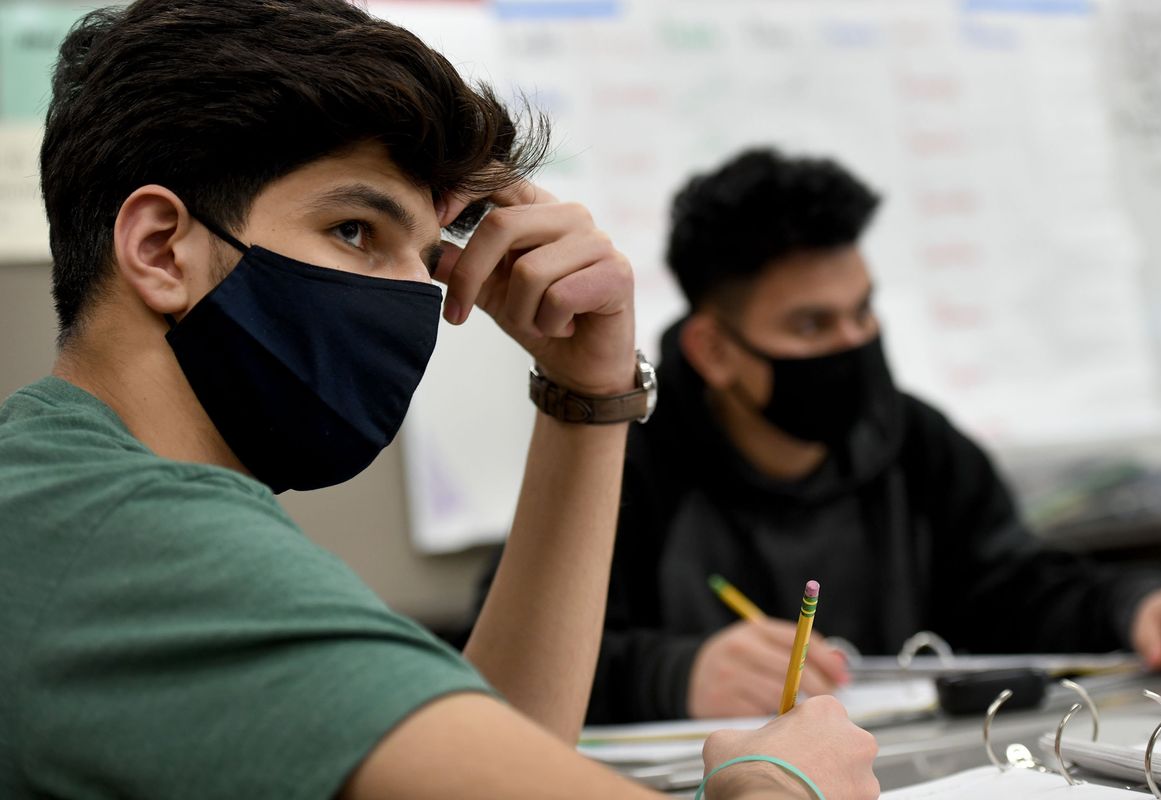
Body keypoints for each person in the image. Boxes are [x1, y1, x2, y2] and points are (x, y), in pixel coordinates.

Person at [0, 4, 880, 799]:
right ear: (161, 249)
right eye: (355, 232)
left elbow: (493, 756)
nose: (415, 298)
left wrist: (588, 395)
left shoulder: (60, 487)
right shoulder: (131, 536)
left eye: (424, 257)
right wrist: (787, 786)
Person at [583, 148, 1161, 723]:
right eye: (811, 325)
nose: (853, 344)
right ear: (714, 349)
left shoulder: (914, 440)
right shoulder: (618, 465)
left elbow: (1016, 591)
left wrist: (1140, 607)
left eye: (862, 311)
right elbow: (503, 664)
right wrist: (671, 674)